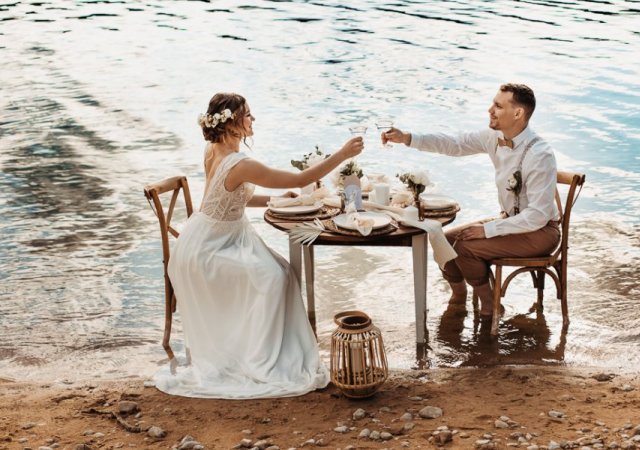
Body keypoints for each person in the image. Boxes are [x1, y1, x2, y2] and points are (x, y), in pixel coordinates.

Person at [153, 92, 363, 398]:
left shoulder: (215, 148)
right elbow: (300, 177)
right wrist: (342, 154)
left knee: (282, 271)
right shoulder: (240, 163)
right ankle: (259, 359)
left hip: (215, 236)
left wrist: (274, 200)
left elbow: (228, 197)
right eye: (248, 114)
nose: (253, 120)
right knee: (272, 278)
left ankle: (259, 347)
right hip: (206, 250)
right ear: (232, 122)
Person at [383, 83, 560, 317]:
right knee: (443, 240)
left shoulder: (540, 154)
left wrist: (488, 230)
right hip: (512, 221)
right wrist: (408, 138)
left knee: (466, 247)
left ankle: (491, 306)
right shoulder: (494, 137)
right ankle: (459, 296)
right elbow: (455, 144)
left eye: (498, 106)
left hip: (541, 232)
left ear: (518, 113)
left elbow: (537, 216)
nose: (490, 110)